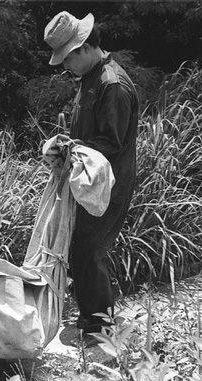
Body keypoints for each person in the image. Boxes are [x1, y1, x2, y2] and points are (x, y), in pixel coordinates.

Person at [42, 12, 139, 335]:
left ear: (84, 47)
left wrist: (72, 148)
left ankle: (99, 327)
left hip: (108, 182)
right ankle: (94, 315)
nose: (66, 66)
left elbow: (112, 142)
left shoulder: (112, 85)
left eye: (68, 58)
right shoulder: (91, 78)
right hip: (88, 179)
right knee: (79, 247)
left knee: (87, 250)